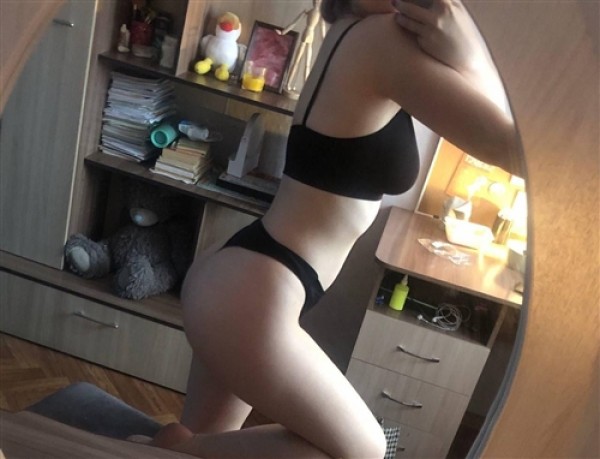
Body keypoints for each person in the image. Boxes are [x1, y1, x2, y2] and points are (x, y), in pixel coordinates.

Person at [149, 0, 518, 457]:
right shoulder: (379, 38)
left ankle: (174, 448)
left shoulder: (351, 31)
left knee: (200, 447)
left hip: (245, 281)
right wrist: (473, 54)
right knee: (365, 451)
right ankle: (175, 449)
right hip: (252, 295)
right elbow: (511, 149)